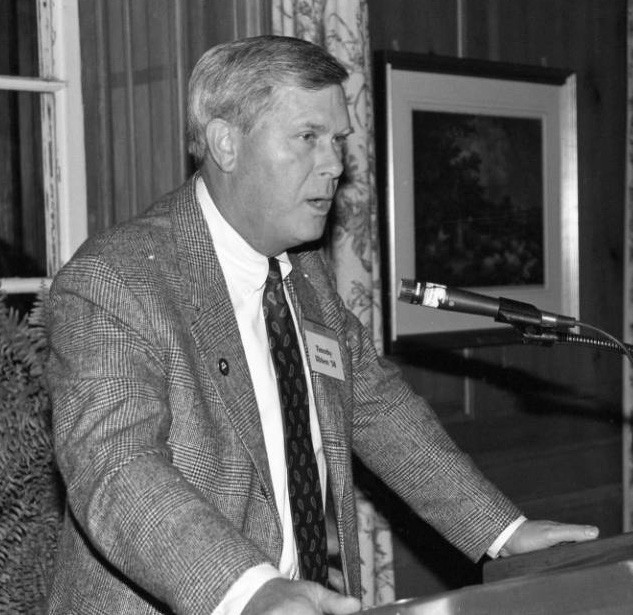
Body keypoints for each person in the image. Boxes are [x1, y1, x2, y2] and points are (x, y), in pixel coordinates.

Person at [46, 35, 599, 615]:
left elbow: (374, 405)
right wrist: (248, 590)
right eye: (308, 138)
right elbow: (116, 467)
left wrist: (503, 535)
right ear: (225, 143)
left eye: (337, 140)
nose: (335, 165)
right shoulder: (115, 280)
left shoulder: (304, 273)